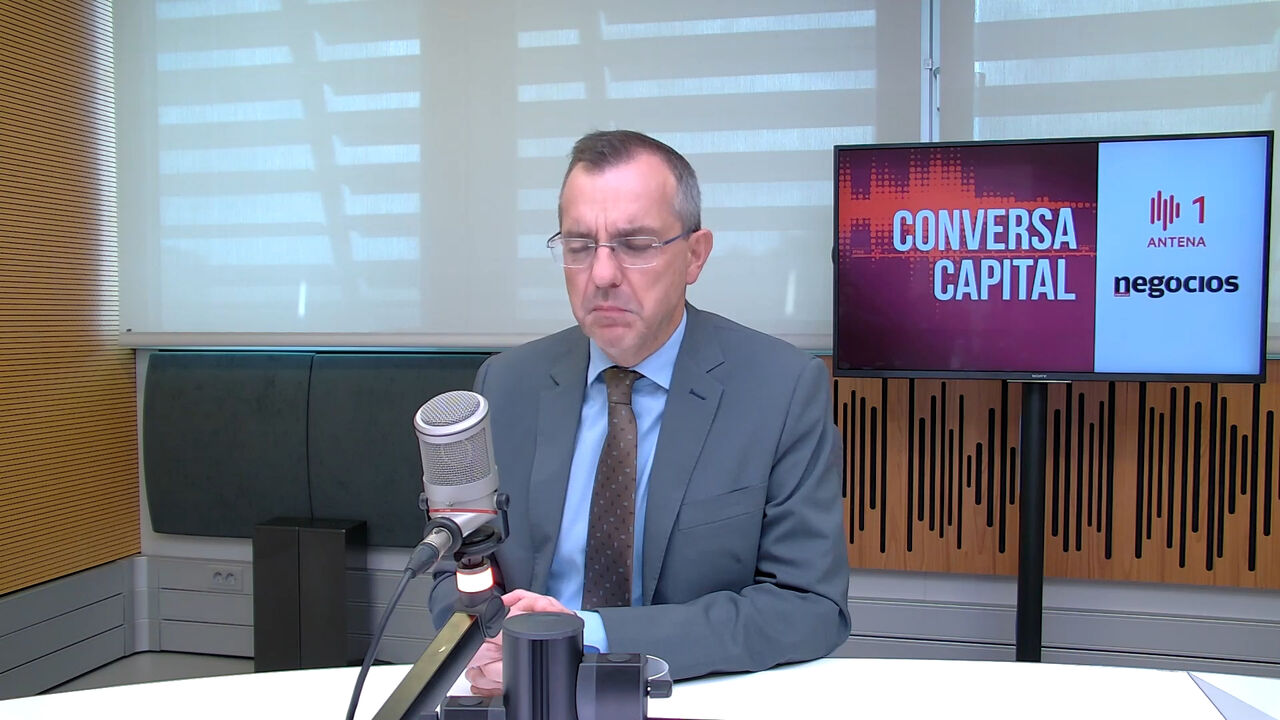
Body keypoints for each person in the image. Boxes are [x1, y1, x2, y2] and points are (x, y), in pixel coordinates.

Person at [428, 129, 850, 692]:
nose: (602, 274)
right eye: (580, 245)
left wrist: (587, 636)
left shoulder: (779, 389)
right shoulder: (506, 384)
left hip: (690, 694)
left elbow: (808, 607)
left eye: (635, 244)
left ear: (695, 255)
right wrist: (486, 633)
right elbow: (456, 566)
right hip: (526, 693)